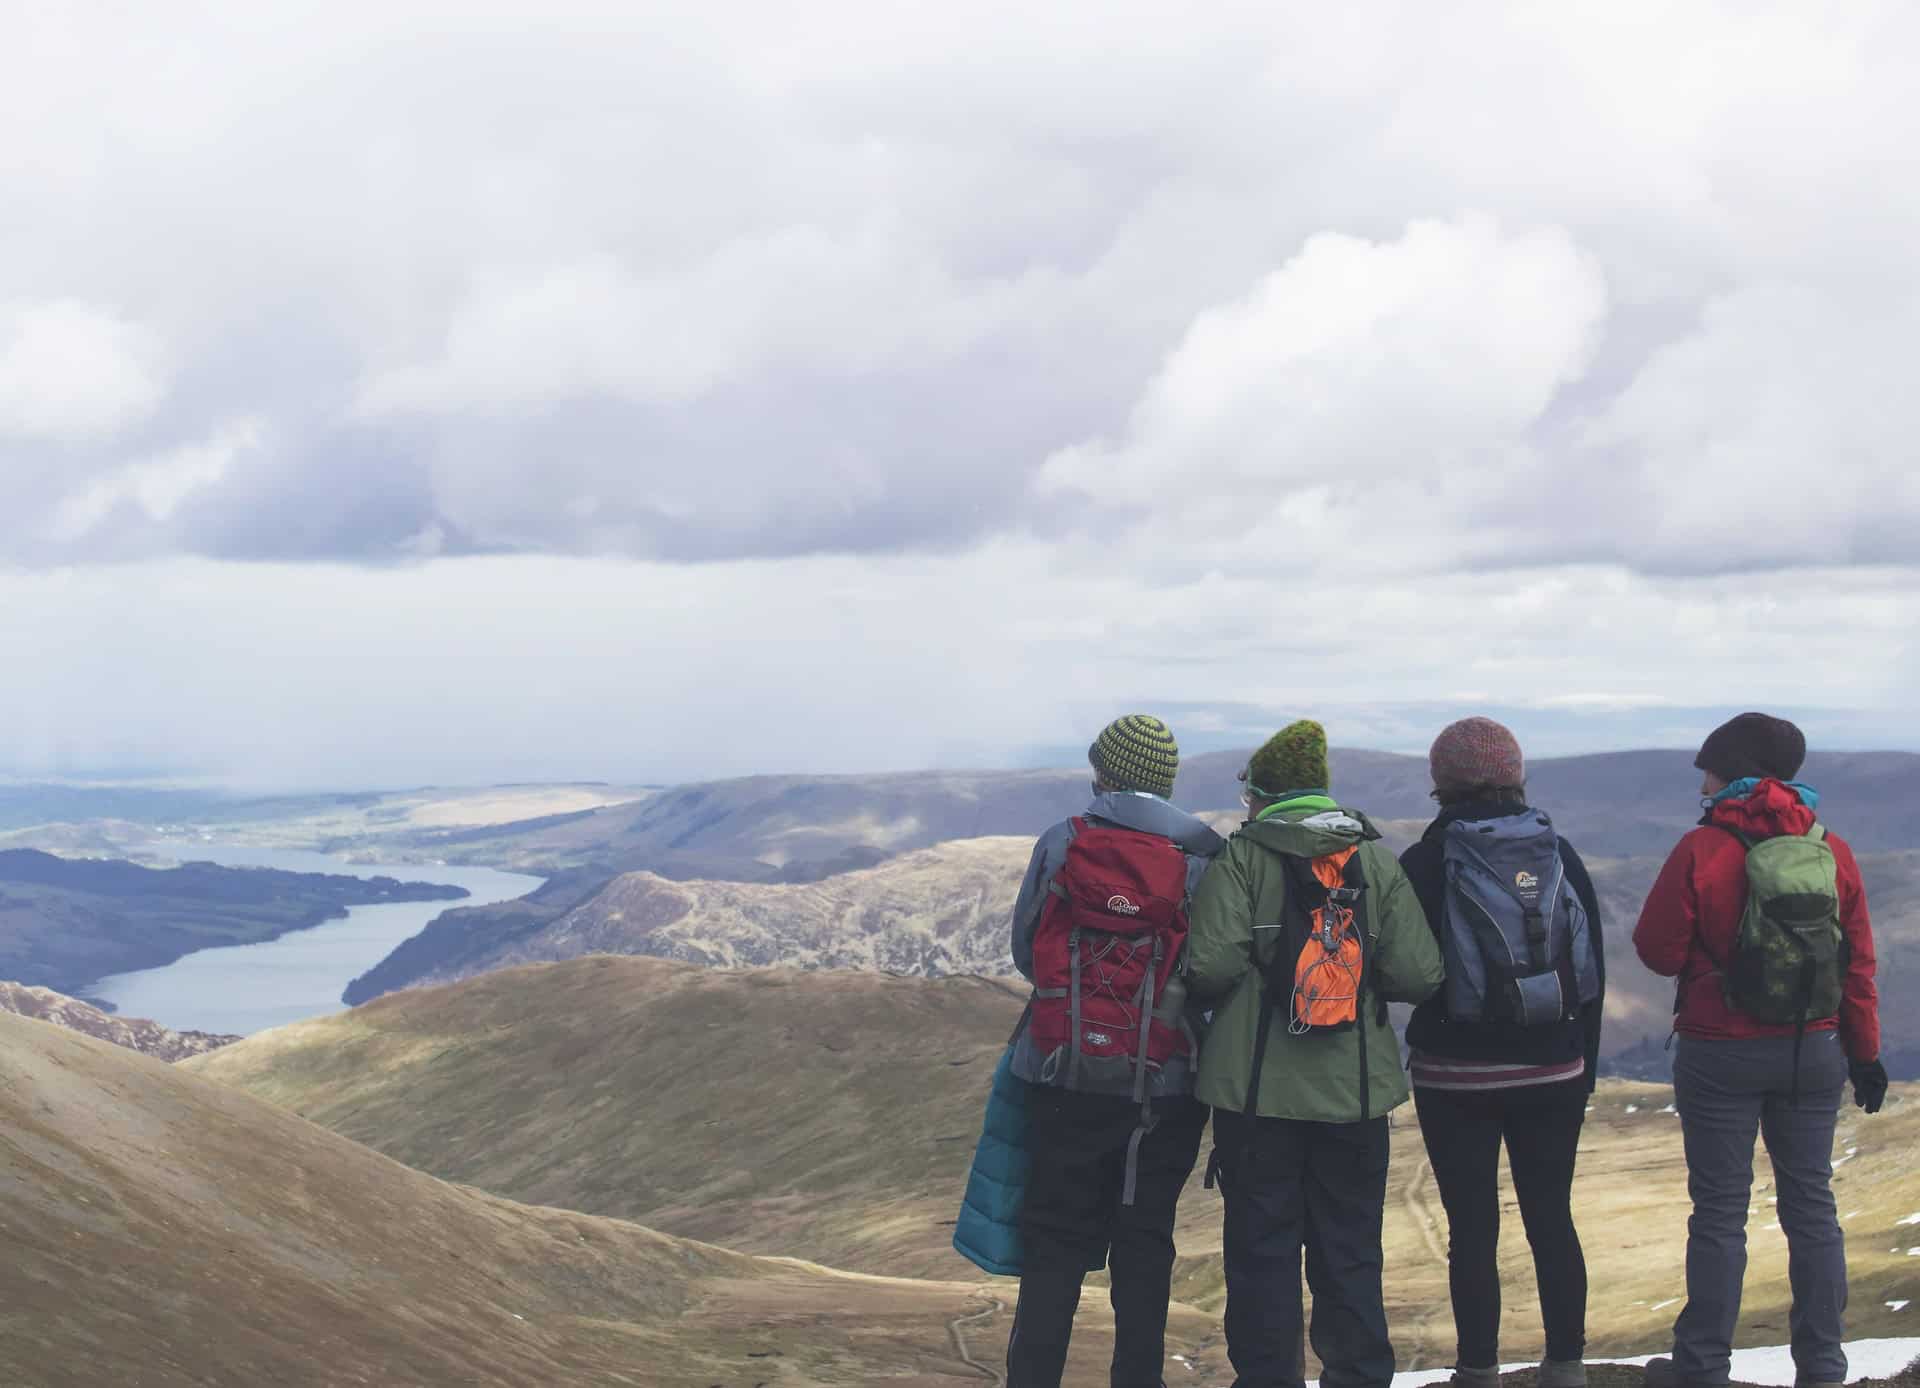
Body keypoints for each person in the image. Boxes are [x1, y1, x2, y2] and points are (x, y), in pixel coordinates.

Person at [1186, 719, 1444, 1388]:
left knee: (1261, 1253)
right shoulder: (1375, 862)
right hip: (1353, 1098)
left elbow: (1209, 967)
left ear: (1263, 795)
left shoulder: (1242, 859)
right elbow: (1419, 976)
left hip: (1255, 1098)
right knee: (1350, 1250)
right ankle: (1357, 1376)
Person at [1635, 713, 1885, 1388]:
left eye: (1709, 770)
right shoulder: (1832, 849)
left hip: (1720, 1050)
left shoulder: (1703, 847)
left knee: (1719, 1212)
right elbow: (1856, 963)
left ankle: (1703, 1368)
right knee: (1812, 1206)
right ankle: (1824, 1368)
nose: (1703, 781)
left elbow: (1656, 952)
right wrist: (1865, 1054)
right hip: (1815, 1047)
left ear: (1734, 771)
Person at [1004, 713, 1226, 1388]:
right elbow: (1212, 974)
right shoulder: (1204, 859)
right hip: (1163, 1085)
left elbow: (1027, 951)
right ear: (1166, 781)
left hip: (1061, 1074)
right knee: (1144, 1239)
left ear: (1101, 773)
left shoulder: (1062, 842)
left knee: (1053, 1242)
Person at [1397, 717, 1605, 1388]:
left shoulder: (1425, 863)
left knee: (1471, 1226)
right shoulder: (1558, 854)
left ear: (1441, 783)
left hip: (1454, 1076)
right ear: (1517, 776)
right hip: (1554, 1069)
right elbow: (1589, 971)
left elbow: (1405, 973)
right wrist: (1584, 1070)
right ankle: (1567, 1366)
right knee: (1552, 1216)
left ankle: (1478, 1370)